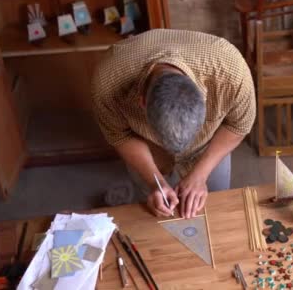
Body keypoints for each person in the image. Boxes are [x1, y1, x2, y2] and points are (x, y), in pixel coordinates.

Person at [91, 29, 255, 218]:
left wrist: (200, 175)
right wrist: (155, 183)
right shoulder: (106, 83)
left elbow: (238, 126)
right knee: (153, 213)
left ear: (202, 98)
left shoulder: (231, 72)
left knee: (215, 210)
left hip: (208, 146)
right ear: (142, 102)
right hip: (148, 150)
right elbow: (120, 135)